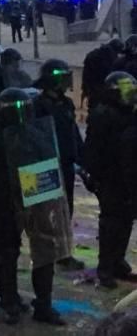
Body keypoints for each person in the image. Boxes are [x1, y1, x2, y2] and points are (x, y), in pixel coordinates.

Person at [0, 88, 70, 326]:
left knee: (45, 250)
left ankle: (44, 304)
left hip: (36, 196)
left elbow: (49, 160)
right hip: (5, 200)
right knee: (6, 253)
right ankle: (9, 301)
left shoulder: (36, 132)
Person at [85, 71, 137, 288]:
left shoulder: (129, 114)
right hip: (110, 178)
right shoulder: (103, 115)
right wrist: (95, 177)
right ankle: (105, 267)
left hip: (128, 176)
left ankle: (117, 260)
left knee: (126, 220)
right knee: (111, 223)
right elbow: (94, 151)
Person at [34, 58, 85, 272]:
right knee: (44, 215)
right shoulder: (38, 105)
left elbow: (72, 132)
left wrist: (82, 158)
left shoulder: (65, 104)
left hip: (64, 163)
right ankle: (45, 256)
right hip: (44, 166)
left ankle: (63, 254)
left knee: (65, 210)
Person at [84, 39, 126, 112]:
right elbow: (112, 75)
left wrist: (85, 89)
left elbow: (85, 75)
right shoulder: (110, 56)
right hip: (102, 91)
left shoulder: (95, 53)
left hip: (92, 89)